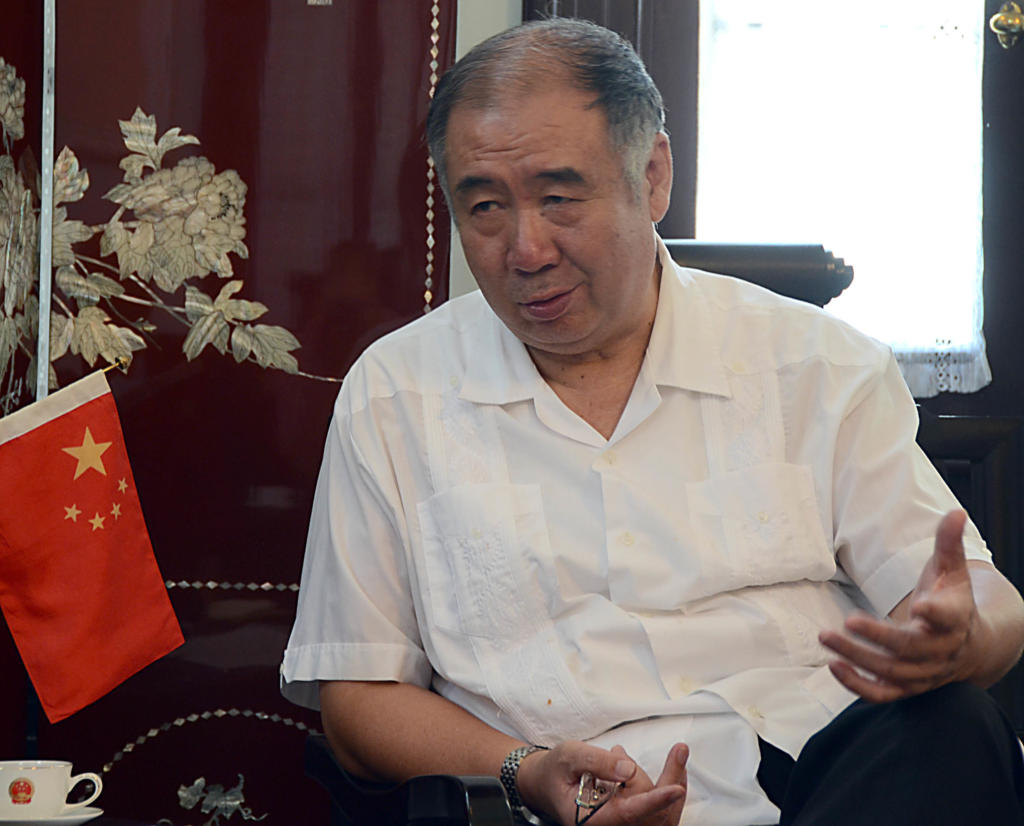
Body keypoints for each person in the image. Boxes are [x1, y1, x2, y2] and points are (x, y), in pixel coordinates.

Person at [281, 18, 1024, 826]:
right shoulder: (396, 394)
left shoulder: (813, 364)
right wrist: (524, 771)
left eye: (560, 198)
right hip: (577, 810)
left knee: (952, 725)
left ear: (654, 175)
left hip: (829, 790)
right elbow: (356, 696)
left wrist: (961, 638)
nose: (525, 249)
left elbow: (978, 596)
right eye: (486, 207)